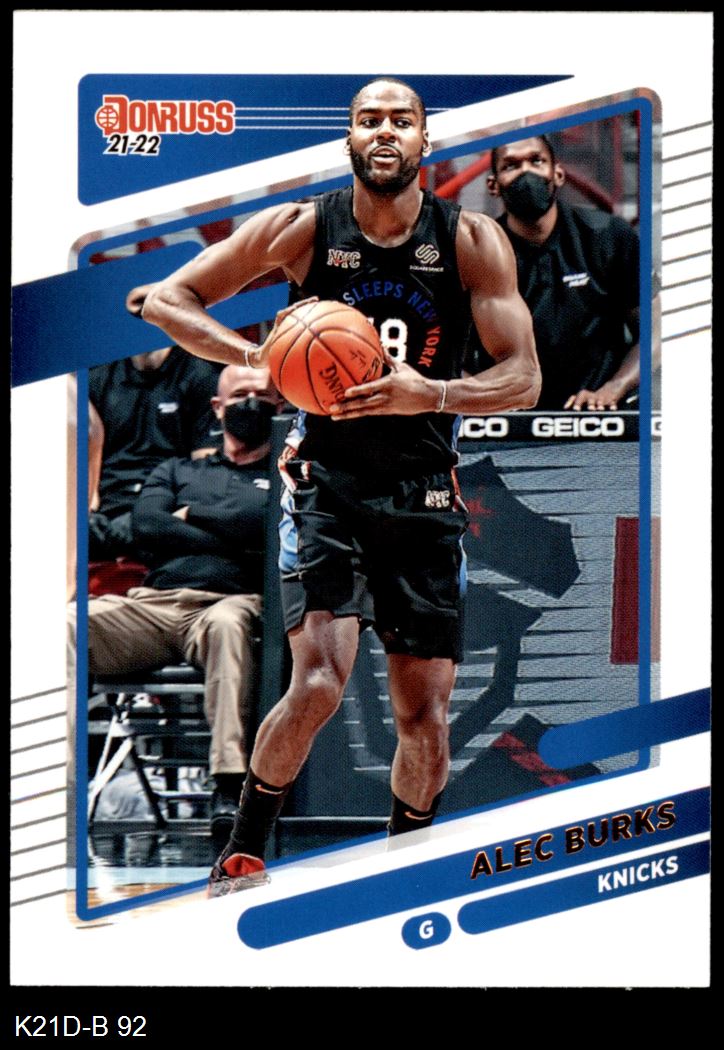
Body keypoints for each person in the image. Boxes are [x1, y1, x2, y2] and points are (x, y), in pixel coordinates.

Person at [130, 77, 540, 895]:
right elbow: (167, 299)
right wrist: (258, 357)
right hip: (327, 484)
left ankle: (403, 874)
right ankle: (241, 854)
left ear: (425, 141)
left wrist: (433, 393)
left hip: (422, 491)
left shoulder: (470, 240)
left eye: (402, 120)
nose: (385, 131)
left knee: (425, 716)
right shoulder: (304, 227)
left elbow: (524, 377)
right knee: (318, 682)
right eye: (369, 120)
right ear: (349, 139)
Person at [69, 364, 281, 833]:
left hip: (230, 601)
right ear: (217, 408)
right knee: (66, 625)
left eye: (263, 396)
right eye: (240, 395)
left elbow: (264, 525)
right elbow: (147, 525)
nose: (251, 403)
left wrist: (190, 515)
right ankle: (55, 781)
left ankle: (229, 786)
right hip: (156, 603)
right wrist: (232, 530)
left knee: (228, 625)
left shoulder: (283, 477)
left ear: (280, 406)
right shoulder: (176, 469)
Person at [482, 135, 641, 411]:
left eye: (536, 161)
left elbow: (654, 328)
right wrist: (478, 399)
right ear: (493, 185)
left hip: (598, 410)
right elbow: (447, 348)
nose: (526, 173)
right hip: (506, 414)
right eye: (511, 166)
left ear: (557, 175)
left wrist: (615, 387)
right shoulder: (476, 253)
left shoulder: (608, 236)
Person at [88, 344, 222, 560]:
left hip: (164, 506)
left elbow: (206, 470)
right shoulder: (97, 379)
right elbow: (85, 463)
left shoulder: (200, 376)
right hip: (109, 505)